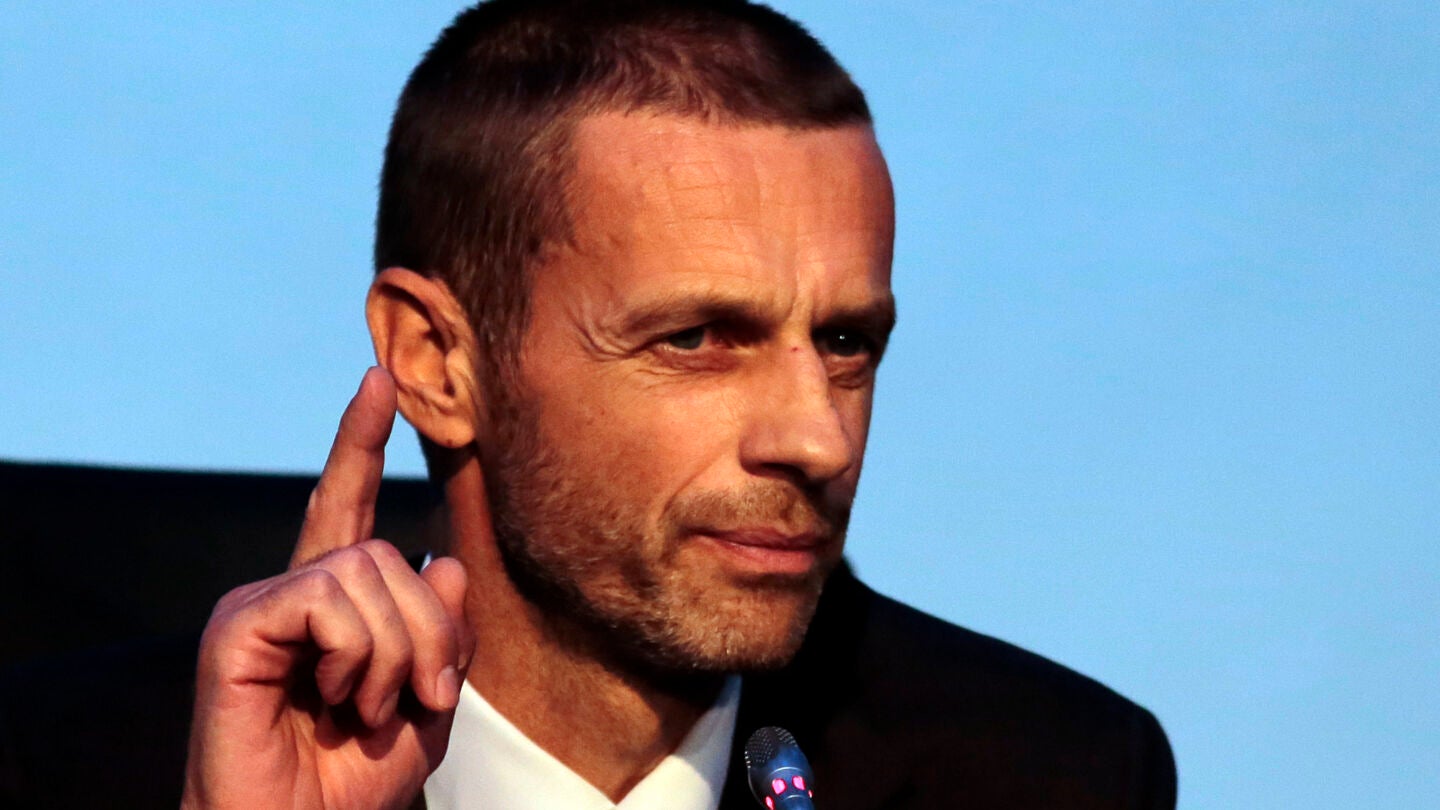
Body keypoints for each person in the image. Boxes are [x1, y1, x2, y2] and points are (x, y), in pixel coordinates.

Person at [176, 1, 1178, 808]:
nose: (819, 440)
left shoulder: (1052, 777)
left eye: (844, 342)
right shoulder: (103, 768)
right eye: (695, 338)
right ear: (437, 362)